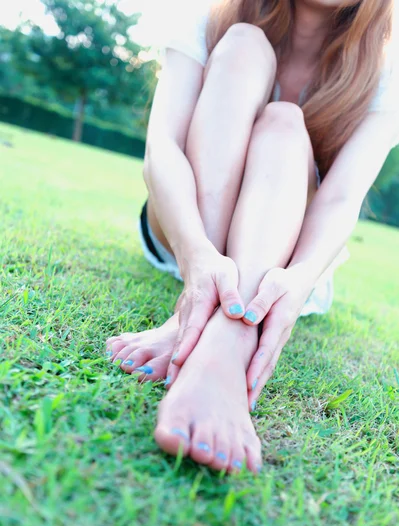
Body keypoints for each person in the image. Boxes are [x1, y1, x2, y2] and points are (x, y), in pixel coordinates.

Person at [107, 0, 399, 474]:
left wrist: (302, 277)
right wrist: (198, 256)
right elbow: (162, 147)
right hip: (184, 231)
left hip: (281, 261)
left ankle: (227, 336)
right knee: (243, 44)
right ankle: (207, 304)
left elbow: (341, 200)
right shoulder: (210, 18)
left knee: (285, 121)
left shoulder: (382, 73)